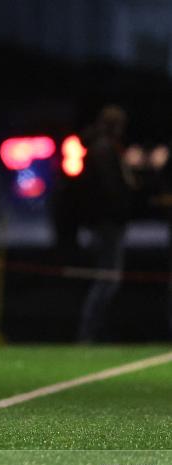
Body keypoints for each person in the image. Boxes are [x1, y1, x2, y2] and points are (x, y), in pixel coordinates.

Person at [77, 105, 133, 342]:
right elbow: (108, 191)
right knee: (106, 279)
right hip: (106, 223)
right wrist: (122, 209)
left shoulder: (106, 148)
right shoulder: (103, 150)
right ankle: (89, 333)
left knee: (107, 279)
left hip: (105, 222)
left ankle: (95, 332)